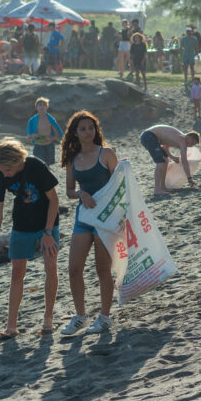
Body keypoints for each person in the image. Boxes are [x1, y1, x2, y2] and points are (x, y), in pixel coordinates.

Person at [0, 138, 60, 340]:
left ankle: (48, 319)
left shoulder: (35, 166)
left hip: (47, 223)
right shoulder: (0, 176)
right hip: (21, 226)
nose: (4, 174)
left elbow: (54, 200)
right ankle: (11, 327)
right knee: (17, 273)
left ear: (17, 162)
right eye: (1, 170)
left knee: (50, 268)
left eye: (7, 170)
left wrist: (48, 232)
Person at [60, 111, 120, 336]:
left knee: (102, 269)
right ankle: (81, 317)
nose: (88, 132)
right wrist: (81, 194)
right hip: (84, 218)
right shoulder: (72, 159)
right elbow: (69, 191)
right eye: (83, 128)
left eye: (91, 127)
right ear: (75, 132)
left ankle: (104, 317)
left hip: (105, 219)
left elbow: (119, 185)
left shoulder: (107, 153)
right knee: (74, 268)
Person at [139, 124, 200, 196]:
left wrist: (172, 157)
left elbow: (165, 147)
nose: (191, 145)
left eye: (193, 144)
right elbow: (184, 161)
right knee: (160, 162)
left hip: (150, 136)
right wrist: (189, 178)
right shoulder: (182, 140)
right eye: (192, 142)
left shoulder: (180, 138)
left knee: (165, 160)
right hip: (149, 136)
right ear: (188, 137)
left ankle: (162, 187)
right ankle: (157, 190)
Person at [27, 96, 63, 166]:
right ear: (36, 107)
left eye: (44, 105)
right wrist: (33, 136)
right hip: (38, 146)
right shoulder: (32, 120)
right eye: (40, 105)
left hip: (49, 146)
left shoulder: (51, 120)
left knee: (47, 166)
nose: (42, 107)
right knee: (38, 166)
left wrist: (51, 138)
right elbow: (28, 136)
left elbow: (57, 134)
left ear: (47, 107)